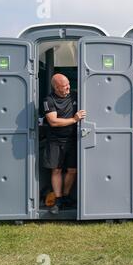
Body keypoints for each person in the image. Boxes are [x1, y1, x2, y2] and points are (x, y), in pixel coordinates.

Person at [43, 74, 86, 214]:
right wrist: (74, 120)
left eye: (68, 84)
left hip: (72, 140)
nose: (68, 87)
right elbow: (53, 122)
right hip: (55, 141)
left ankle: (66, 196)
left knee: (72, 170)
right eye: (64, 86)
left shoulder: (74, 95)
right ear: (56, 87)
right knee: (56, 170)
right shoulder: (49, 100)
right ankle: (58, 199)